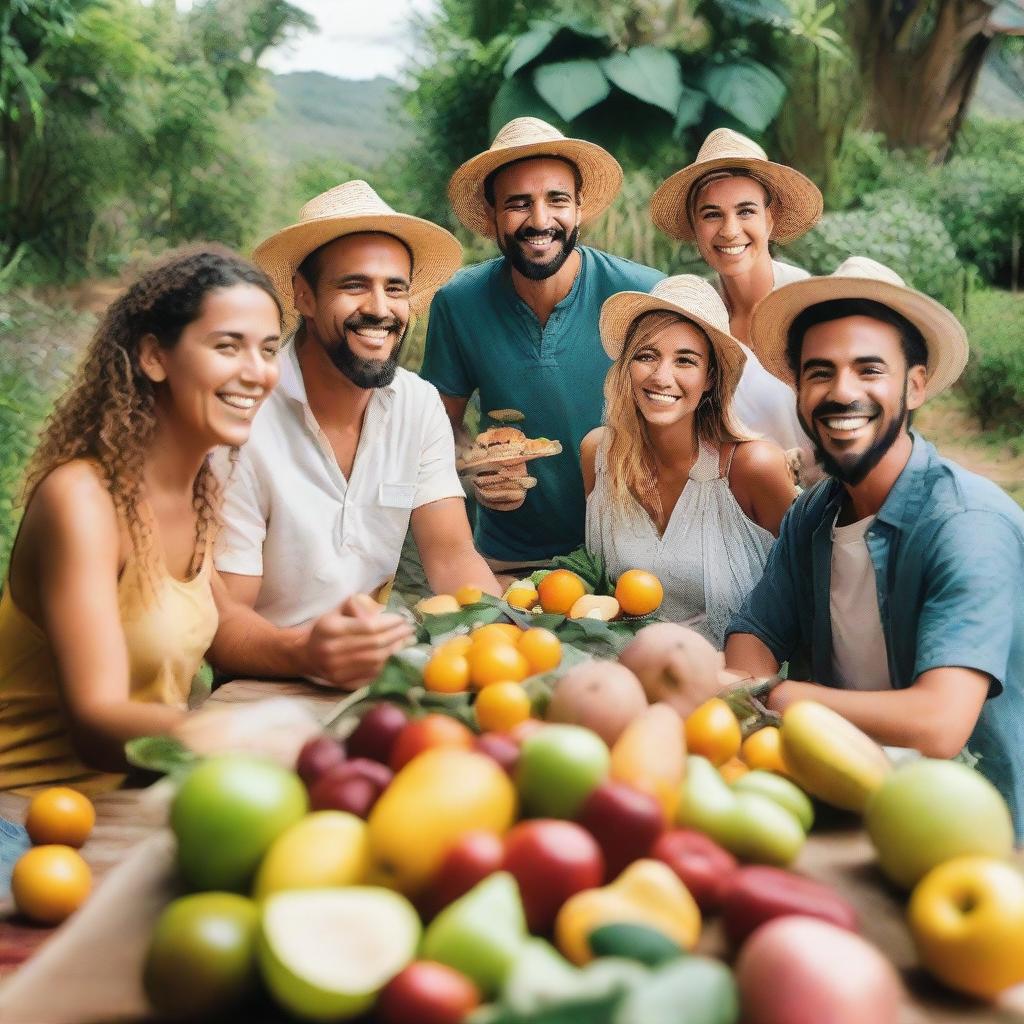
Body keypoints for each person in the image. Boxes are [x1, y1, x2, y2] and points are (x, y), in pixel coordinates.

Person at [725, 256, 1024, 840]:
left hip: (979, 837)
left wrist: (775, 696)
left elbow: (940, 723)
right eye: (819, 372)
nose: (842, 392)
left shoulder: (968, 525)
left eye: (869, 370)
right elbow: (755, 630)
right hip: (857, 810)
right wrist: (751, 683)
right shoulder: (816, 511)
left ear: (914, 386)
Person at [0, 246, 283, 791]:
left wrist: (318, 649)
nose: (257, 373)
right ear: (154, 357)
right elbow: (97, 724)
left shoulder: (198, 490)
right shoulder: (82, 501)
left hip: (131, 799)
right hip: (22, 818)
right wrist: (240, 735)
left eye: (268, 350)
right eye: (228, 346)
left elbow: (222, 630)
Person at [208, 180, 502, 690]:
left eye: (395, 288)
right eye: (353, 285)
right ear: (304, 295)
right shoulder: (244, 418)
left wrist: (508, 645)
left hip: (367, 674)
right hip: (261, 679)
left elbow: (452, 556)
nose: (380, 309)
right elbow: (225, 623)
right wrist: (307, 653)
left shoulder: (417, 405)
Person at [421, 117, 664, 574]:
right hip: (506, 555)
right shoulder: (458, 302)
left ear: (579, 206)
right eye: (518, 203)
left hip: (629, 555)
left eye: (556, 200)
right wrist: (475, 465)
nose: (540, 221)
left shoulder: (643, 294)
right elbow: (437, 427)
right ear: (493, 214)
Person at [582, 275, 796, 648]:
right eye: (646, 356)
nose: (661, 377)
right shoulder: (598, 456)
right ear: (627, 367)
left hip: (735, 686)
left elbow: (803, 594)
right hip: (621, 674)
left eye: (685, 360)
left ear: (710, 377)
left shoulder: (753, 467)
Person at [650, 128, 824, 464]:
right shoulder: (695, 314)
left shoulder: (809, 306)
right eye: (712, 214)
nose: (730, 230)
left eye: (746, 211)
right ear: (695, 227)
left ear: (769, 220)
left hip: (816, 500)